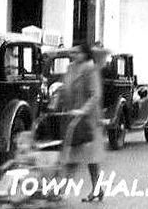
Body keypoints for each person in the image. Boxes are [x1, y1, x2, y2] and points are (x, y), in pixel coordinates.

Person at [62, 42, 107, 202]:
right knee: (78, 155)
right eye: (72, 52)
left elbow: (95, 95)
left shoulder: (90, 69)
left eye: (77, 52)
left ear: (85, 54)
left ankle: (61, 192)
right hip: (74, 118)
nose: (73, 55)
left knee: (85, 157)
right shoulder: (71, 68)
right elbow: (64, 89)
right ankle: (97, 189)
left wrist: (83, 110)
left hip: (88, 120)